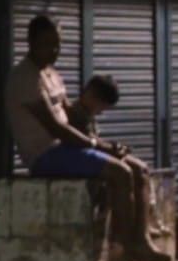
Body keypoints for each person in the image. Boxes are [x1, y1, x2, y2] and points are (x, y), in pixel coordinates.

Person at [3, 14, 170, 261]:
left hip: (67, 148)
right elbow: (57, 128)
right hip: (45, 155)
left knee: (139, 169)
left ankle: (142, 240)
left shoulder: (51, 74)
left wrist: (107, 144)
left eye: (58, 44)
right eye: (47, 43)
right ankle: (125, 246)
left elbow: (69, 113)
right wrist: (96, 145)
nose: (54, 50)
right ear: (31, 42)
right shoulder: (24, 78)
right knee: (121, 173)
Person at [66, 73, 166, 237]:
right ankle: (129, 233)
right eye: (101, 106)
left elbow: (96, 139)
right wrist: (111, 150)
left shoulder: (87, 114)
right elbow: (87, 142)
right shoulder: (75, 114)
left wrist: (115, 147)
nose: (100, 112)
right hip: (84, 158)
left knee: (142, 169)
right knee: (130, 171)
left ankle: (144, 225)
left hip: (96, 153)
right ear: (92, 96)